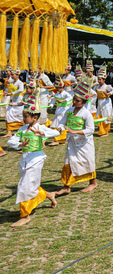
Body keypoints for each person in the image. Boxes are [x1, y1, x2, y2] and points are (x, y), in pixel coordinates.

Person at [6, 88, 60, 227]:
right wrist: (20, 144)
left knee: (23, 187)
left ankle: (25, 216)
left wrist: (41, 133)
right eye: (23, 116)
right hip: (24, 159)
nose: (23, 119)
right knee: (30, 186)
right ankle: (49, 195)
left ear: (34, 117)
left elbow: (54, 133)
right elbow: (10, 141)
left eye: (26, 116)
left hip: (36, 160)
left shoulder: (40, 127)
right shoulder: (22, 129)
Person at [55, 77, 98, 195]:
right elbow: (62, 122)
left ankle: (93, 182)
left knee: (87, 161)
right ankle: (66, 186)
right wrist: (60, 127)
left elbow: (91, 129)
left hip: (84, 142)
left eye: (77, 101)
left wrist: (75, 131)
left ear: (84, 102)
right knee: (68, 161)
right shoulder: (69, 111)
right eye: (74, 99)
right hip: (72, 142)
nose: (74, 102)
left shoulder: (86, 114)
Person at [47, 77, 72, 146]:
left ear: (61, 87)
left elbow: (70, 97)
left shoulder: (65, 93)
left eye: (57, 87)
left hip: (63, 110)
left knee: (59, 125)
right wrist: (51, 105)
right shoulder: (57, 94)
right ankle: (61, 139)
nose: (56, 89)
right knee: (57, 125)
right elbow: (53, 100)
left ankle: (57, 140)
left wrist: (63, 101)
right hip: (58, 110)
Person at [94, 64, 113, 137]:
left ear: (104, 79)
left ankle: (105, 132)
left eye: (100, 79)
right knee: (100, 116)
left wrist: (108, 94)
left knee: (105, 116)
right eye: (98, 79)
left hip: (106, 103)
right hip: (100, 103)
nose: (99, 81)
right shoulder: (97, 86)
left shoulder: (107, 86)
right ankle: (102, 130)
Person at [2, 67, 25, 138]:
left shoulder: (20, 83)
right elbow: (8, 90)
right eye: (11, 74)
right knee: (8, 115)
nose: (12, 76)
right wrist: (6, 92)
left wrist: (11, 93)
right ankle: (9, 132)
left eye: (13, 74)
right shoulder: (11, 83)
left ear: (17, 75)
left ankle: (23, 131)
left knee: (20, 117)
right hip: (12, 100)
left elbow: (21, 90)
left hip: (18, 101)